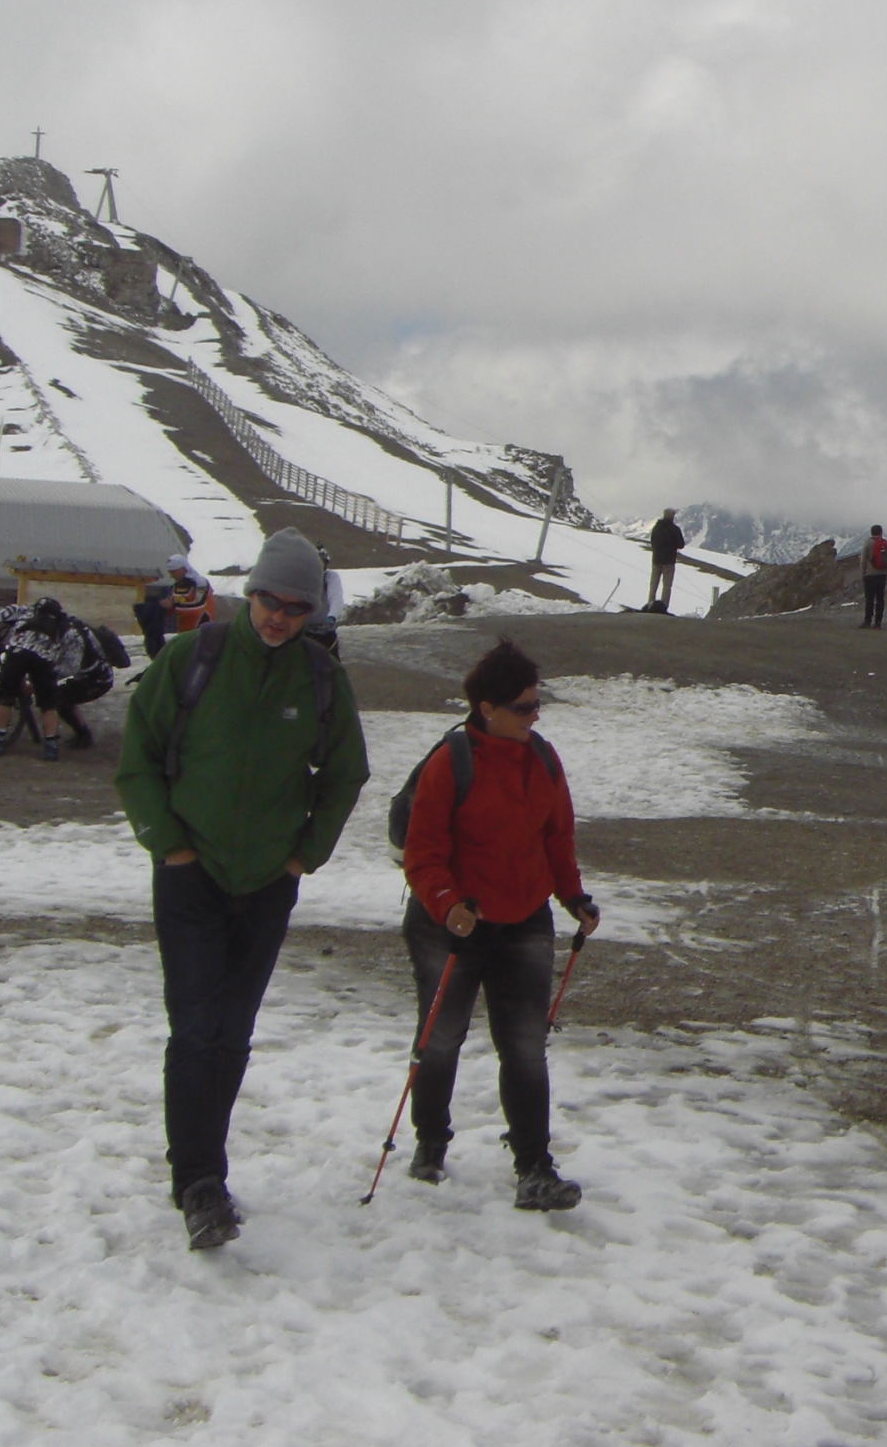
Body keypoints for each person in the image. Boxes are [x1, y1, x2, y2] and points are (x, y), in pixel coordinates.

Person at [116, 530, 369, 1251]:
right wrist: (169, 846)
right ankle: (200, 1181)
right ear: (250, 594)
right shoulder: (192, 658)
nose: (279, 617)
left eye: (295, 607)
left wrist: (304, 856)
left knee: (231, 1033)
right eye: (270, 601)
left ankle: (203, 1175)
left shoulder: (320, 677)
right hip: (190, 875)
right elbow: (138, 757)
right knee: (196, 1027)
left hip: (266, 883)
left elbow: (346, 773)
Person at [398, 636, 599, 1209]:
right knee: (441, 1039)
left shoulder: (542, 758)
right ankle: (430, 1142)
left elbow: (556, 836)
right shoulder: (450, 762)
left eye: (537, 704)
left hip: (524, 918)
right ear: (487, 708)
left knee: (526, 1045)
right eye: (524, 707)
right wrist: (448, 904)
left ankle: (534, 1165)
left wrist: (572, 896)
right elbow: (422, 852)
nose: (535, 716)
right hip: (452, 924)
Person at [0, 596, 126, 755]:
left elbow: (70, 667)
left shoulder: (72, 631)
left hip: (96, 676)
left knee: (57, 699)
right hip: (42, 661)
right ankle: (51, 745)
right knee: (48, 704)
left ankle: (82, 735)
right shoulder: (42, 618)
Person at [134, 552, 214, 660]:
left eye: (173, 571)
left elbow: (199, 606)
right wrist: (160, 608)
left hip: (201, 630)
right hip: (183, 632)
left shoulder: (200, 583)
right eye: (170, 572)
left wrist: (174, 606)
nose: (171, 575)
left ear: (183, 569)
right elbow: (170, 607)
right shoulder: (176, 586)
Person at [645, 508, 685, 613]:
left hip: (656, 560)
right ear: (672, 517)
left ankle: (650, 604)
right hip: (669, 561)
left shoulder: (656, 528)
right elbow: (681, 544)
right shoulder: (674, 529)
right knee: (667, 586)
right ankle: (663, 606)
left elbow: (652, 541)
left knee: (653, 584)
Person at [858, 525, 887, 628]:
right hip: (882, 574)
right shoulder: (885, 543)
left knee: (870, 599)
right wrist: (886, 571)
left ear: (871, 532)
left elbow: (863, 560)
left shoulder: (868, 543)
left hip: (870, 575)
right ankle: (878, 622)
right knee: (880, 599)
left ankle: (867, 621)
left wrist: (863, 573)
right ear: (881, 532)